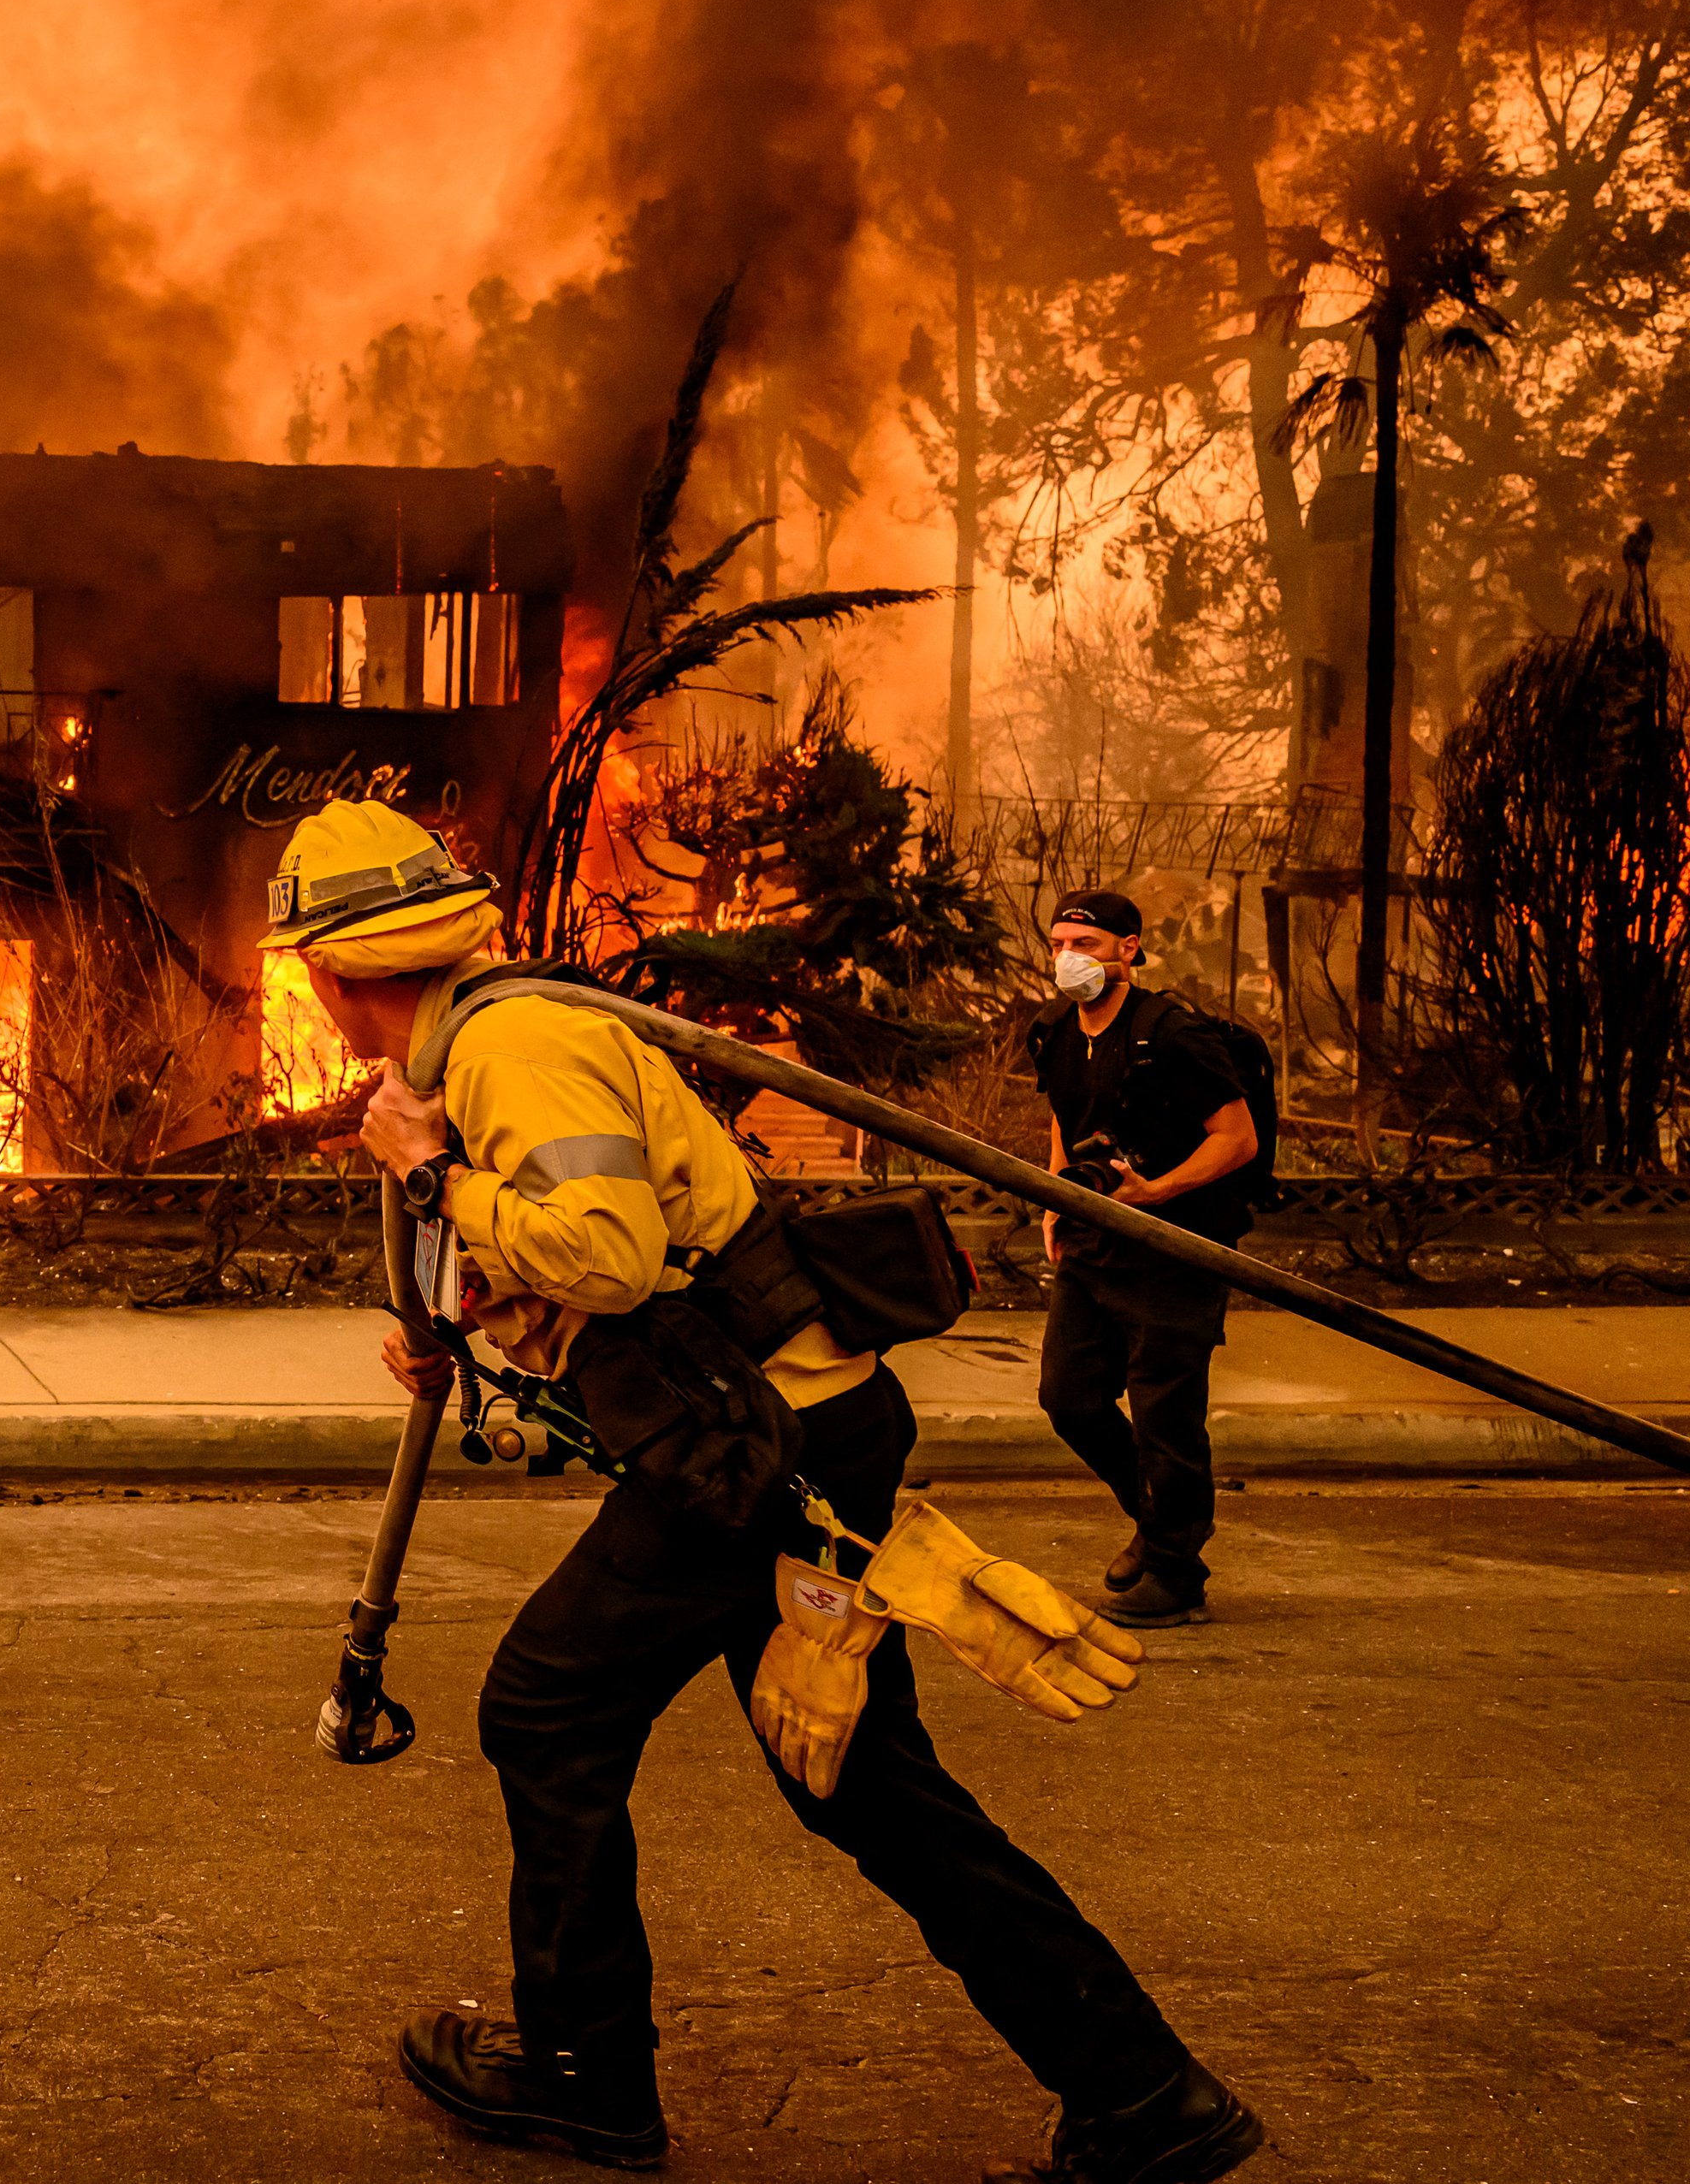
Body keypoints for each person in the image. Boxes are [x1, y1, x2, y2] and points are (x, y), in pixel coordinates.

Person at [264, 799, 1260, 2181]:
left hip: (758, 1452)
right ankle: (1146, 2091)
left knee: (545, 1702)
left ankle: (585, 2069)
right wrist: (478, 1306)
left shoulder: (510, 1044)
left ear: (333, 970)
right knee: (865, 1786)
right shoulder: (498, 1035)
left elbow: (605, 1251)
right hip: (791, 1430)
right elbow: (616, 1256)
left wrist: (433, 1172)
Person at [1025, 889, 1262, 1630]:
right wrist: (1053, 1198)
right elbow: (1068, 1121)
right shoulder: (1054, 1029)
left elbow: (1237, 1137)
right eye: (1060, 943)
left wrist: (1154, 1192)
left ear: (1129, 948)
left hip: (1174, 1247)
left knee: (1167, 1413)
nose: (1070, 958)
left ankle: (1177, 1571)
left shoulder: (1173, 1033)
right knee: (1070, 1398)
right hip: (1092, 1243)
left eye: (1086, 945)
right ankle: (1159, 1523)